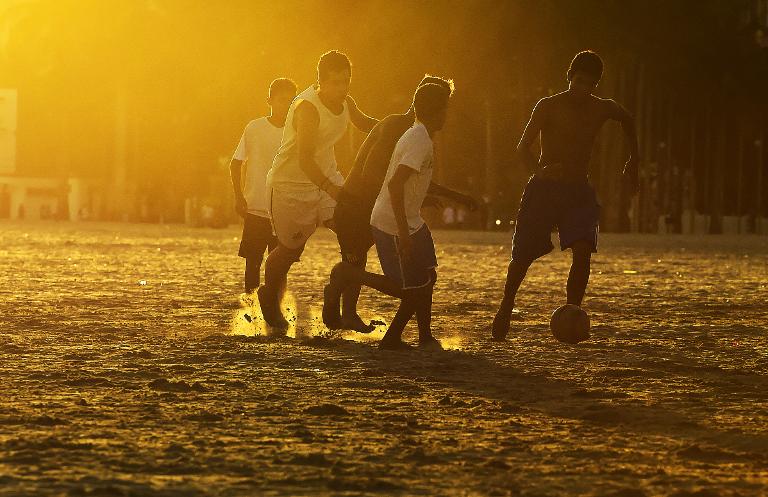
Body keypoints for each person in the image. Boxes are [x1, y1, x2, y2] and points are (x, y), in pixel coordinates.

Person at [491, 50, 639, 340]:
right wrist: (539, 170)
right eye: (579, 81)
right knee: (522, 257)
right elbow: (522, 148)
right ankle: (506, 306)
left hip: (578, 191)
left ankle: (573, 312)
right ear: (570, 77)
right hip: (544, 191)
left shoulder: (601, 108)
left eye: (590, 84)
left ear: (596, 85)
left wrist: (633, 160)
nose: (583, 89)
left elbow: (628, 120)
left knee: (583, 251)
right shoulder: (547, 106)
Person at [324, 75, 475, 333]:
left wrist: (453, 197)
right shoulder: (401, 128)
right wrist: (403, 198)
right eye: (444, 105)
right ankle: (348, 307)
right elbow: (376, 174)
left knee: (384, 269)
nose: (446, 113)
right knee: (368, 269)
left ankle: (406, 332)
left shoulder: (411, 130)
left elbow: (405, 177)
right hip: (357, 207)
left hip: (372, 207)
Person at [258, 50, 377, 328]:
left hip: (327, 180)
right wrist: (332, 189)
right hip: (290, 186)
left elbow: (365, 124)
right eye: (335, 82)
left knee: (355, 236)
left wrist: (397, 126)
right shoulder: (307, 109)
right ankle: (268, 296)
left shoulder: (347, 102)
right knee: (289, 251)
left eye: (345, 82)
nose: (341, 89)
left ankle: (347, 311)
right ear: (320, 81)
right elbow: (305, 159)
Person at [229, 78, 297, 294]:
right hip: (257, 207)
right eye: (281, 100)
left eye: (290, 101)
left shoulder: (297, 132)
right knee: (253, 261)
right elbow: (235, 163)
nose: (285, 105)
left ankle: (277, 307)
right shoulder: (254, 128)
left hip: (283, 210)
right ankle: (249, 308)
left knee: (280, 265)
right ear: (270, 100)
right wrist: (239, 196)